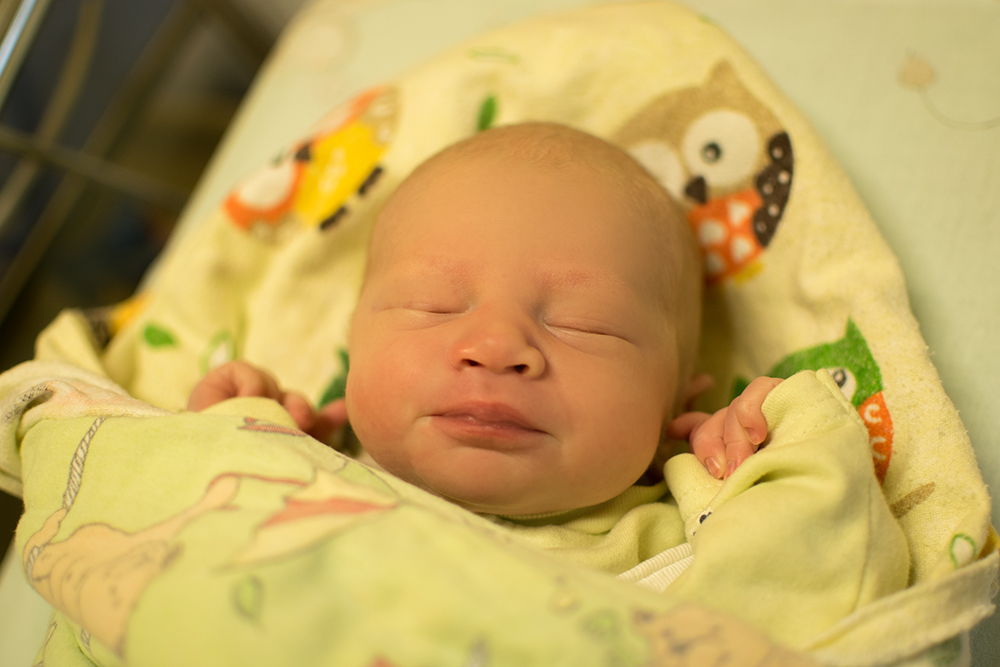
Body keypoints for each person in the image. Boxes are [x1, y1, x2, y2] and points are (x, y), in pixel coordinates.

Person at [188, 122, 781, 516]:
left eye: (585, 324)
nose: (496, 345)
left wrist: (767, 455)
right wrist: (222, 440)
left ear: (675, 404)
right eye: (433, 306)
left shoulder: (695, 522)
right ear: (354, 344)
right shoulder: (291, 472)